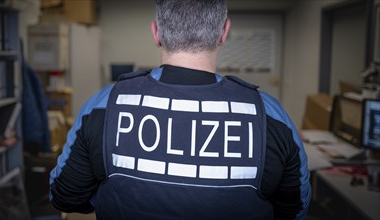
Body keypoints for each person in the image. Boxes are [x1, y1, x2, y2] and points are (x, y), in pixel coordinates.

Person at [49, 0, 311, 219]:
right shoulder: (272, 116)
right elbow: (295, 210)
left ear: (156, 33)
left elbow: (65, 196)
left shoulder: (104, 105)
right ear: (224, 32)